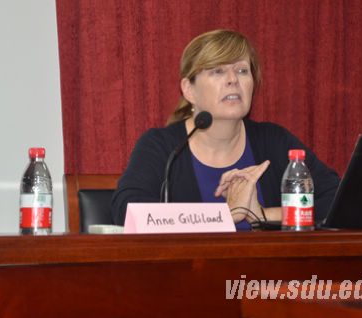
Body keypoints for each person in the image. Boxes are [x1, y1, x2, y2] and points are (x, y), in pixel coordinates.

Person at [111, 29, 339, 229]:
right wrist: (224, 216)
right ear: (189, 90)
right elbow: (128, 211)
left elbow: (338, 201)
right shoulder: (163, 147)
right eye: (218, 71)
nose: (232, 80)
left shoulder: (273, 141)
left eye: (242, 71)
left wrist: (261, 215)